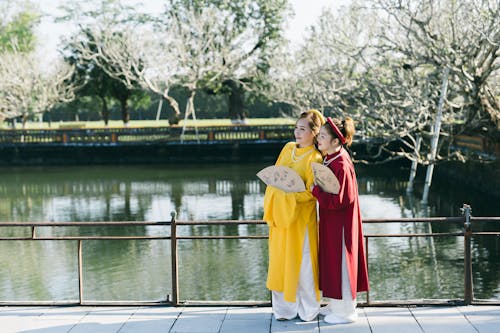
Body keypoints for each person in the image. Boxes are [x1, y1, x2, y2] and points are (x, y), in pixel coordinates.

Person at [263, 109, 325, 321]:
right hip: (281, 219)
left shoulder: (315, 158)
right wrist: (278, 193)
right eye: (296, 128)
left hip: (301, 221)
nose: (297, 133)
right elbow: (275, 177)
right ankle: (284, 310)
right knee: (280, 262)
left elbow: (311, 192)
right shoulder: (288, 148)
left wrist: (289, 196)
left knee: (304, 265)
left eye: (302, 129)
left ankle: (308, 309)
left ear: (314, 133)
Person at [312, 116, 369, 324]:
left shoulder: (341, 164)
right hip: (332, 220)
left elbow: (342, 200)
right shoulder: (332, 158)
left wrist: (316, 192)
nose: (319, 139)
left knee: (342, 261)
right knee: (332, 260)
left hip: (342, 223)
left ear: (336, 141)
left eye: (323, 136)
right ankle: (336, 304)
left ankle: (346, 312)